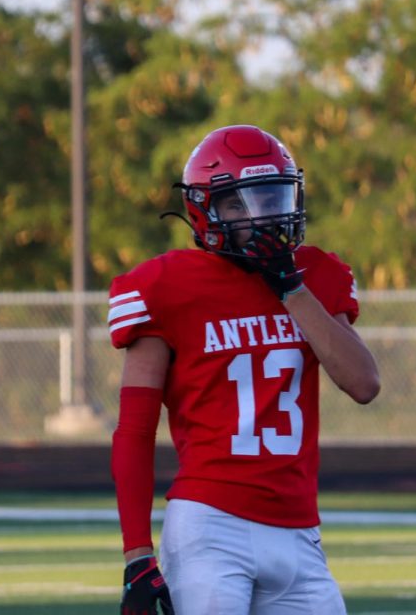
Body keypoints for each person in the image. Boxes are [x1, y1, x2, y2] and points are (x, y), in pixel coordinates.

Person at [109, 124, 381, 615]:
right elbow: (134, 431)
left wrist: (291, 288)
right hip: (211, 528)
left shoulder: (315, 273)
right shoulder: (166, 285)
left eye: (273, 196)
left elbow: (364, 384)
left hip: (300, 532)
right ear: (206, 210)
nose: (265, 214)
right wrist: (137, 556)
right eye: (241, 202)